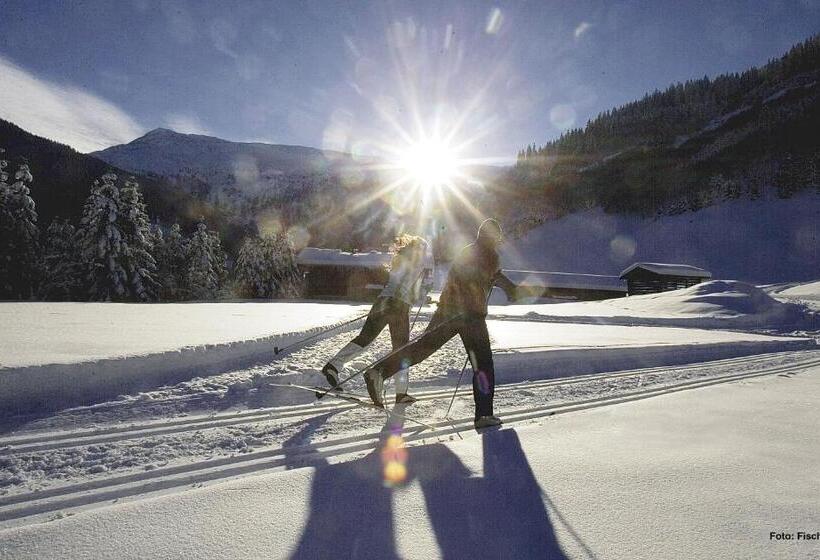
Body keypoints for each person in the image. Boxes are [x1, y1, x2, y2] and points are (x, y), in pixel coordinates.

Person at [363, 218, 519, 429]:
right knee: (483, 365)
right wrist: (510, 289)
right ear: (493, 237)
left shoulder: (468, 251)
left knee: (422, 348)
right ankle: (484, 415)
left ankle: (379, 371)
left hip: (447, 310)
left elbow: (474, 275)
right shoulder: (490, 255)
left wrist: (500, 284)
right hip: (470, 316)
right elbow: (491, 274)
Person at [322, 235, 430, 404]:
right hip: (399, 306)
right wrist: (424, 289)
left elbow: (396, 282)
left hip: (382, 301)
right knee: (402, 350)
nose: (424, 254)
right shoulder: (417, 264)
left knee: (365, 338)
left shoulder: (399, 259)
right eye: (423, 250)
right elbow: (411, 290)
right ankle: (400, 393)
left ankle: (333, 366)